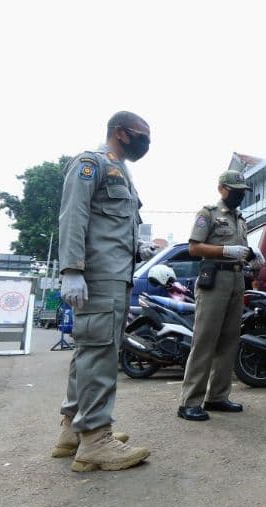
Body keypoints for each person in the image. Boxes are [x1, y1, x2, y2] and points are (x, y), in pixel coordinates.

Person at [54, 111, 154, 472]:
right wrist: (71, 270)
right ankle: (95, 438)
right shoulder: (90, 163)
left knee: (88, 353)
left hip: (114, 275)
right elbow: (74, 215)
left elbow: (112, 225)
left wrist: (138, 248)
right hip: (97, 276)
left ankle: (71, 429)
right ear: (120, 133)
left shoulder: (123, 173)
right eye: (142, 135)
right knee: (99, 356)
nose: (147, 142)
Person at [177, 170, 265, 421]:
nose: (239, 195)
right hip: (214, 279)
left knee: (229, 341)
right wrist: (226, 249)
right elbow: (194, 247)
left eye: (242, 191)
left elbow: (241, 251)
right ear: (221, 189)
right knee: (205, 340)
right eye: (235, 190)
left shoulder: (240, 218)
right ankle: (189, 402)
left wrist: (252, 257)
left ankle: (217, 396)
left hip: (237, 278)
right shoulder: (208, 214)